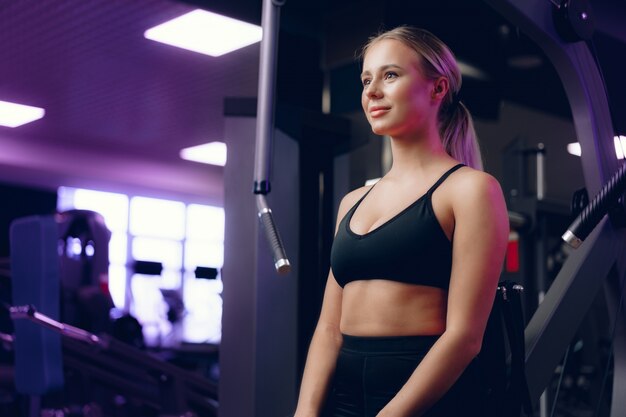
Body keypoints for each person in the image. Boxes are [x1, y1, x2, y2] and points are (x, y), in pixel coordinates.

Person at [293, 26, 509, 417]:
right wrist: (305, 413)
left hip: (422, 393)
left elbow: (464, 337)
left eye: (390, 75)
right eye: (366, 79)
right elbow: (328, 329)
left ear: (437, 88)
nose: (372, 91)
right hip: (344, 394)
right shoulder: (352, 202)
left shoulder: (470, 190)